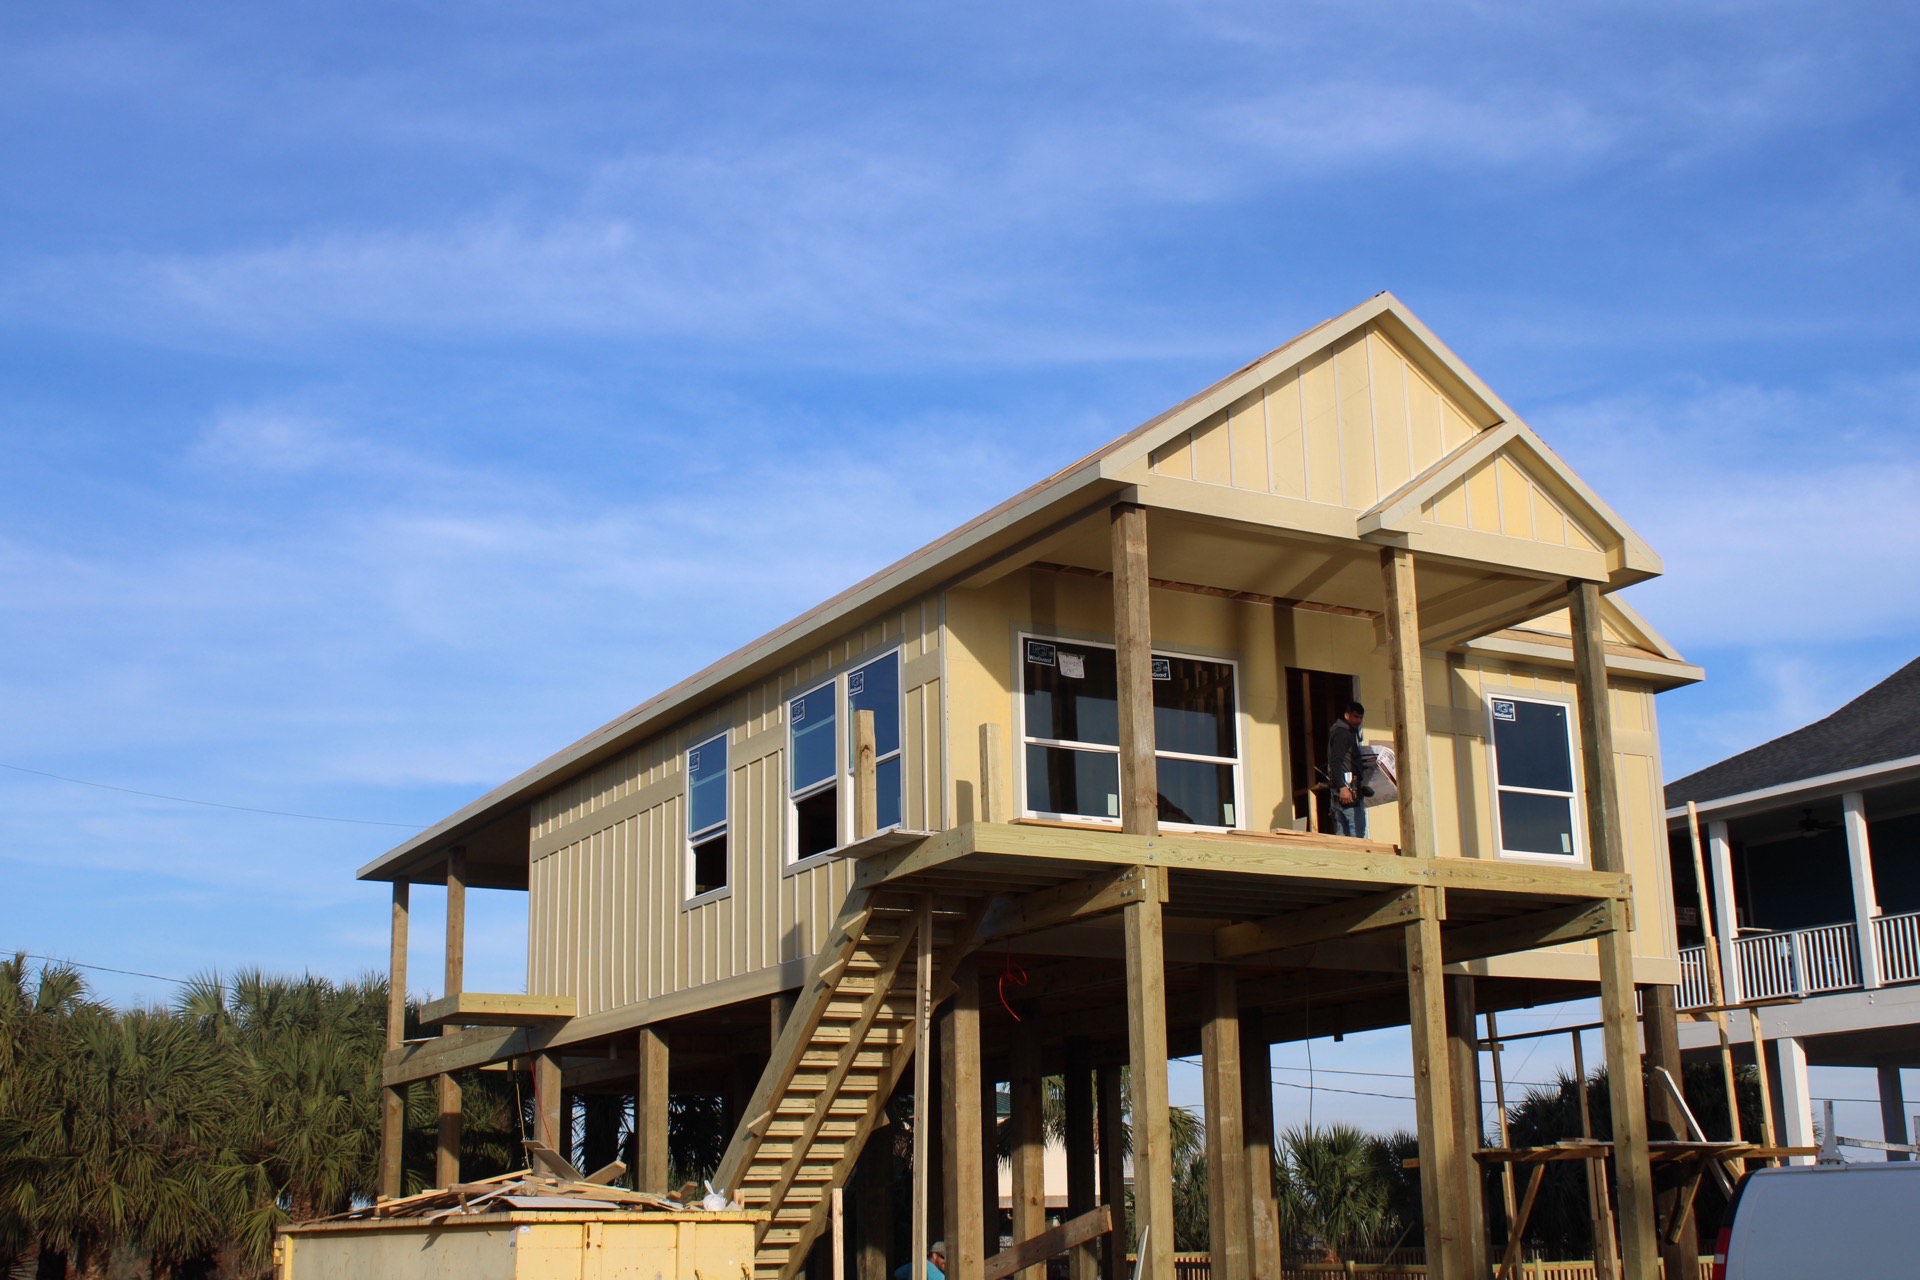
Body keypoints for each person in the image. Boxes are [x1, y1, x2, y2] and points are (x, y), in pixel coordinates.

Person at [1326, 700, 1368, 838]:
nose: (1358, 720)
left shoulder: (1346, 732)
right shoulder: (1343, 734)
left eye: (1361, 717)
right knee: (1357, 831)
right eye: (1355, 717)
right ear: (1347, 716)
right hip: (1347, 789)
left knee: (1343, 833)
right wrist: (1342, 788)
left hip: (1344, 788)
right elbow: (1335, 762)